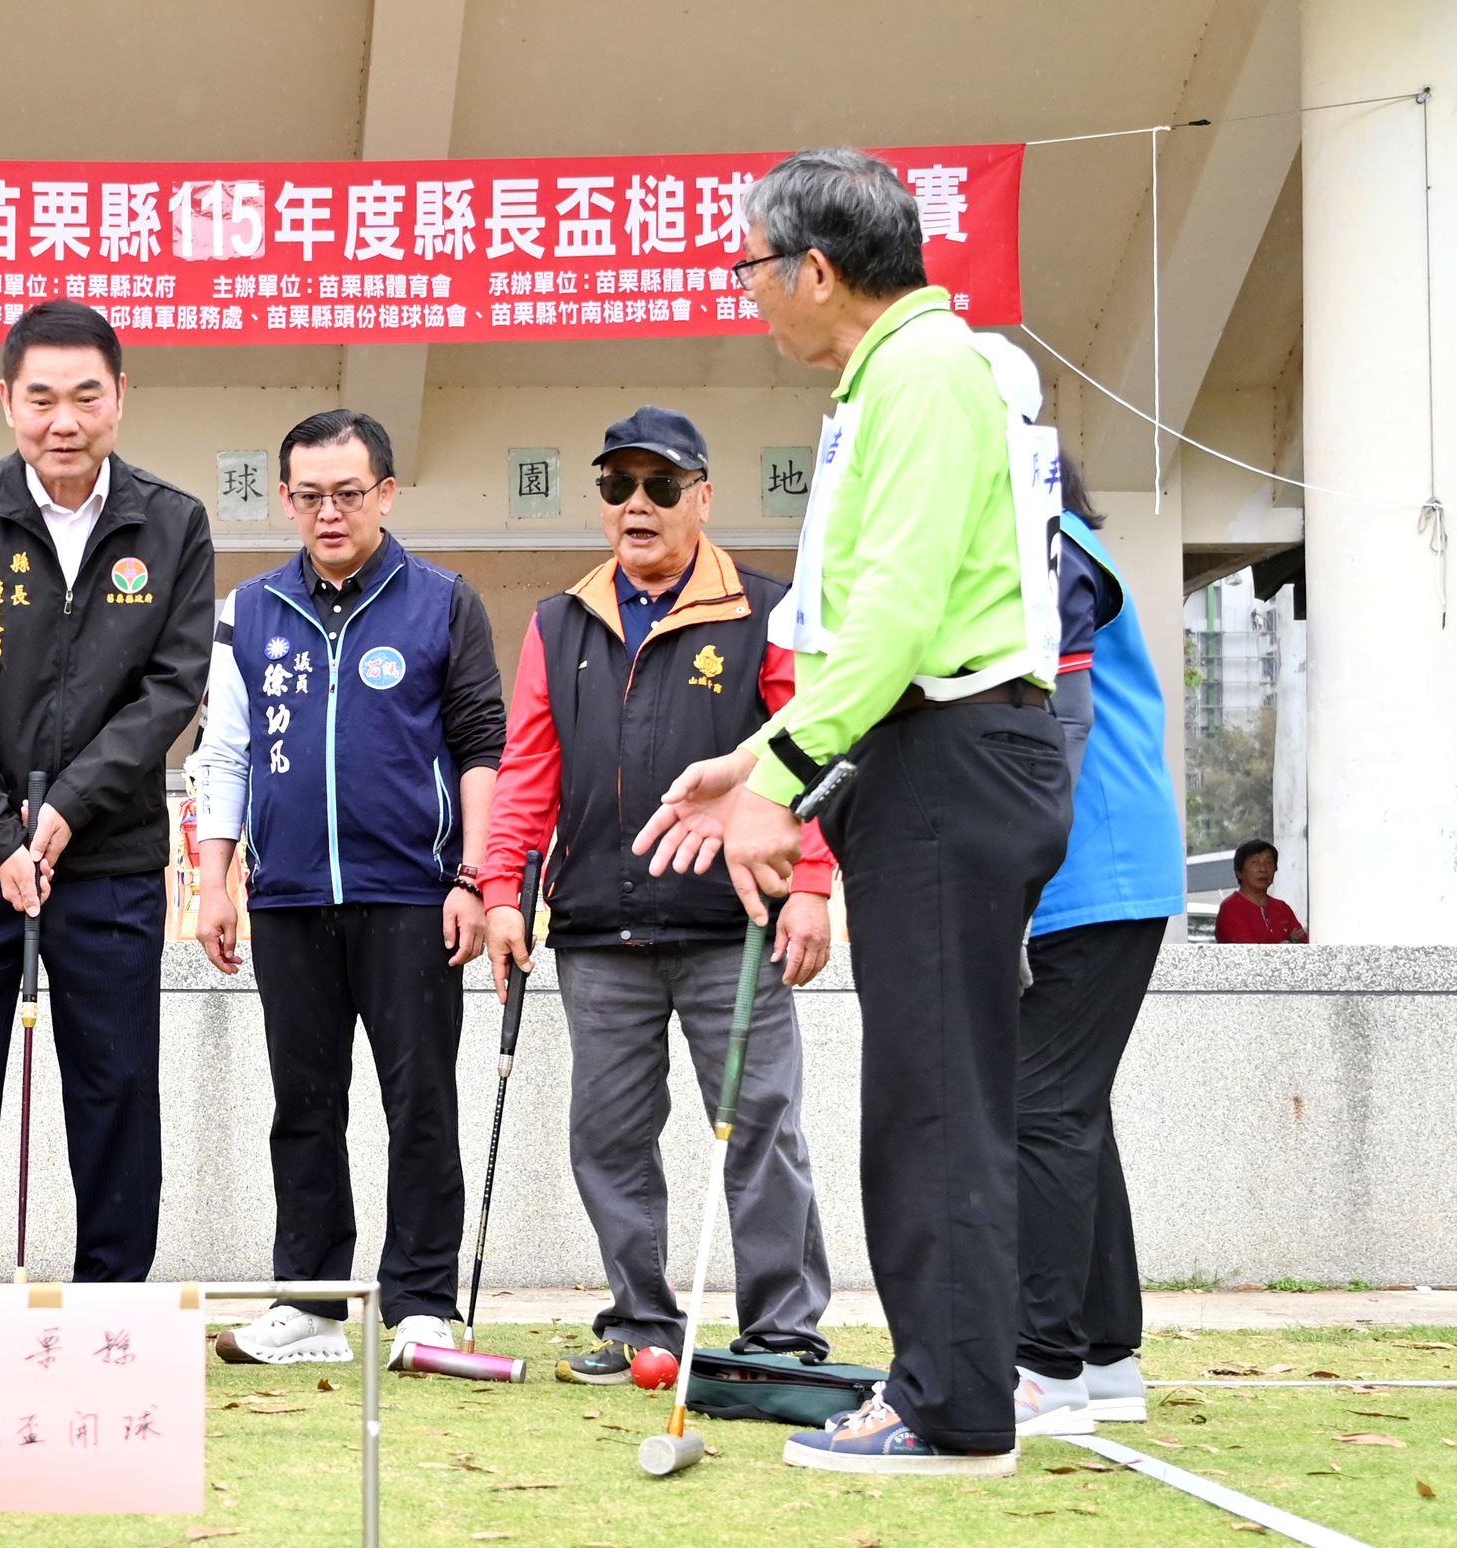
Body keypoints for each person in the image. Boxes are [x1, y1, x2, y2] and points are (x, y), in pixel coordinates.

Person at [636, 150, 1070, 1477]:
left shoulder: (928, 374)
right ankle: (940, 1381)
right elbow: (872, 627)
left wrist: (776, 782)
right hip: (923, 759)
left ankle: (951, 1409)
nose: (746, 293)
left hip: (952, 759)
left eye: (748, 267)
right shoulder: (897, 377)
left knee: (935, 1102)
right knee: (928, 1094)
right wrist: (760, 757)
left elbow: (900, 617)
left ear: (814, 269)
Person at [483, 405, 838, 1383]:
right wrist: (504, 891)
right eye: (617, 486)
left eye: (660, 485)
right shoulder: (558, 624)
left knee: (763, 1126)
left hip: (735, 926)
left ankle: (782, 1337)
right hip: (599, 930)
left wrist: (811, 886)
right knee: (607, 1137)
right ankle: (641, 1325)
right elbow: (525, 777)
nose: (637, 505)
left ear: (702, 498)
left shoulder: (765, 612)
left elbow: (812, 757)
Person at [0, 301, 214, 1285]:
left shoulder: (172, 523)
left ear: (120, 396)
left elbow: (172, 689)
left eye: (85, 396)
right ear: (6, 402)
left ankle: (115, 1300)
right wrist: (1, 834)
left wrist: (65, 809)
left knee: (115, 1083)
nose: (62, 421)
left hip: (108, 860)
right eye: (41, 399)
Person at [191, 408, 505, 1364]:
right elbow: (226, 751)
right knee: (305, 1104)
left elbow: (484, 747)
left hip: (414, 896)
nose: (331, 512)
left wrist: (475, 879)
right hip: (287, 899)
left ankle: (420, 1300)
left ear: (386, 493)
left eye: (350, 493)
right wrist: (216, 879)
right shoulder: (249, 611)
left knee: (420, 1101)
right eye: (311, 496)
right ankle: (314, 1301)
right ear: (285, 499)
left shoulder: (443, 601)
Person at [1014, 462, 1186, 1436]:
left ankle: (1045, 1365)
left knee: (1041, 1107)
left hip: (1094, 865)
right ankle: (1106, 1355)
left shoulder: (1054, 549)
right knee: (1070, 1110)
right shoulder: (1067, 544)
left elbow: (1056, 723)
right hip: (1094, 867)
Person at [1215, 841, 1306, 942]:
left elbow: (1303, 944)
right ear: (1239, 872)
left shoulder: (1282, 908)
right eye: (1254, 862)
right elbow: (1250, 953)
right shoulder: (1230, 908)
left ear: (1275, 869)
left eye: (1268, 862)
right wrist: (1288, 943)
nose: (1262, 869)